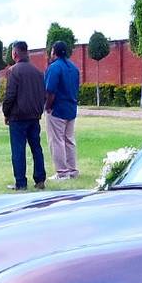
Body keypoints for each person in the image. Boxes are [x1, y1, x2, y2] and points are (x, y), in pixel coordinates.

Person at [2, 41, 46, 191]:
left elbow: (10, 95)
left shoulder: (13, 71)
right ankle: (40, 179)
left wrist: (6, 113)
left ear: (15, 53)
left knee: (18, 150)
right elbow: (43, 95)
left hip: (18, 117)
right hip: (34, 116)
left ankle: (20, 182)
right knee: (36, 148)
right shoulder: (38, 72)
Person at [44, 40, 80, 180]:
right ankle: (72, 169)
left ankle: (62, 172)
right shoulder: (74, 68)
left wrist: (47, 106)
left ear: (54, 52)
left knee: (57, 140)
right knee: (69, 139)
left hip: (57, 109)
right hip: (71, 108)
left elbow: (50, 90)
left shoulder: (54, 68)